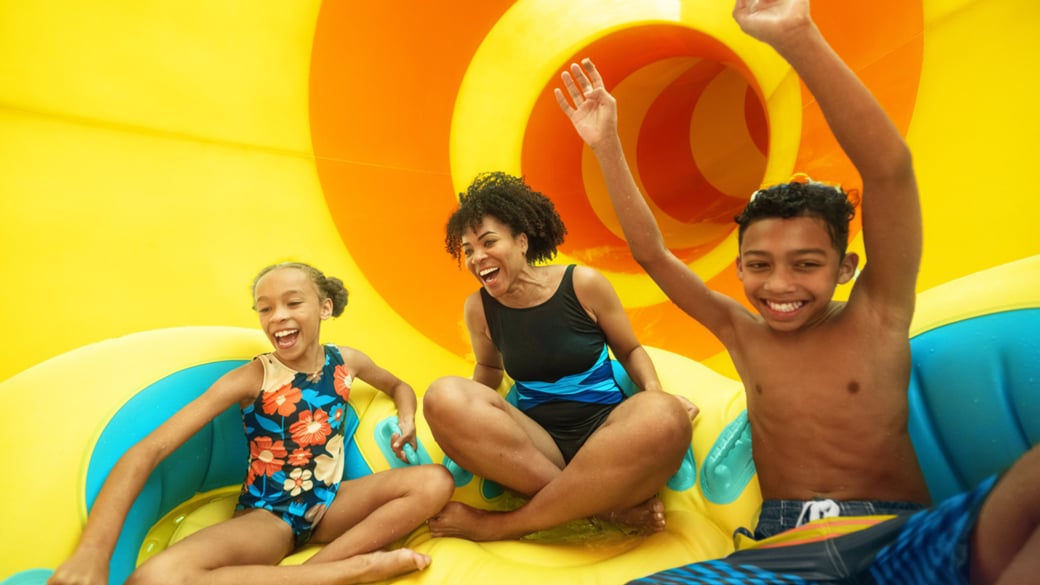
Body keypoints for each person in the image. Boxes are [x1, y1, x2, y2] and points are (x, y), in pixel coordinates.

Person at [557, 0, 1039, 583]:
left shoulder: (877, 315)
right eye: (759, 265)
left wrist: (796, 36)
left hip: (892, 536)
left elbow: (889, 171)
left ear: (845, 267)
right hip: (781, 552)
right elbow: (651, 253)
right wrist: (606, 142)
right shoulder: (740, 332)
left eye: (805, 264)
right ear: (738, 268)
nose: (779, 285)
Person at [48, 262, 455, 585]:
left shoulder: (347, 361)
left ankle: (315, 572)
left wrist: (406, 419)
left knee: (435, 481)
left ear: (324, 308)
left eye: (293, 303)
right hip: (271, 516)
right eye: (265, 308)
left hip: (331, 505)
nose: (278, 316)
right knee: (156, 578)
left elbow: (399, 385)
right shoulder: (253, 378)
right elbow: (148, 450)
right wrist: (91, 554)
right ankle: (350, 570)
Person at [423, 171, 696, 542]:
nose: (477, 257)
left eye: (488, 242)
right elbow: (489, 367)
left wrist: (654, 392)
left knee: (665, 414)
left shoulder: (582, 284)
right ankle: (607, 509)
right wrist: (468, 420)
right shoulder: (479, 308)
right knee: (443, 396)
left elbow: (629, 349)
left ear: (522, 241)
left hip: (608, 432)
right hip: (538, 449)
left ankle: (499, 526)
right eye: (469, 250)